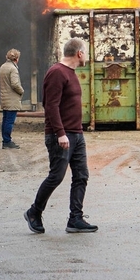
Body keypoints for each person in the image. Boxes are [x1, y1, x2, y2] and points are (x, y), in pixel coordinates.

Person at [25, 38, 98, 234]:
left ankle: (75, 219)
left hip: (76, 134)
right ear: (79, 54)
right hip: (62, 136)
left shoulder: (71, 73)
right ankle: (34, 212)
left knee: (81, 175)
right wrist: (60, 133)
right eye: (87, 53)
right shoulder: (57, 72)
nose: (88, 57)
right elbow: (50, 106)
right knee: (56, 176)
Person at [0, 48, 25, 149]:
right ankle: (7, 141)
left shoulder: (3, 67)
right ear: (17, 58)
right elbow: (15, 84)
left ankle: (5, 140)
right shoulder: (13, 69)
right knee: (9, 121)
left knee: (5, 120)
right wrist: (21, 91)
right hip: (12, 99)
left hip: (4, 97)